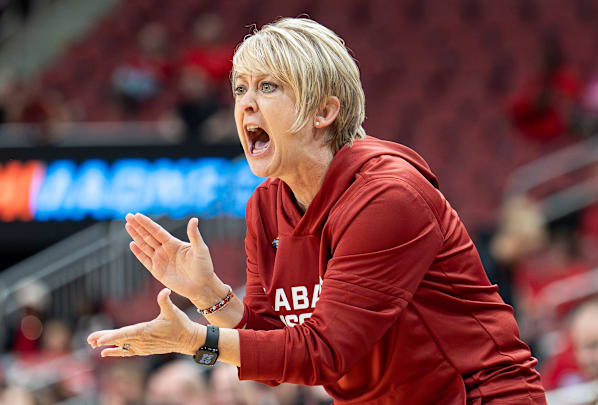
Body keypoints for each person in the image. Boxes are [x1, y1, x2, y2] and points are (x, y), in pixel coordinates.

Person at [87, 18, 547, 404]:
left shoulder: (388, 195)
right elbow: (270, 353)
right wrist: (209, 294)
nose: (245, 102)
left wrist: (196, 342)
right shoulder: (266, 206)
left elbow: (324, 353)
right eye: (240, 88)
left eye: (267, 87)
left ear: (324, 112)